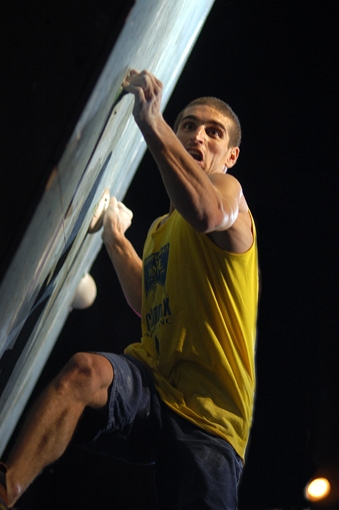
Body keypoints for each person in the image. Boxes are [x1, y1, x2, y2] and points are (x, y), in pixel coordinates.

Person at [0, 69, 259, 509]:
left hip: (209, 419)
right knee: (84, 372)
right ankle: (6, 492)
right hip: (153, 388)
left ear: (230, 155)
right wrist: (115, 237)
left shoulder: (228, 194)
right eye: (188, 126)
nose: (198, 136)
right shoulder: (161, 229)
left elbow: (206, 212)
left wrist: (151, 121)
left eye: (212, 132)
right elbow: (147, 300)